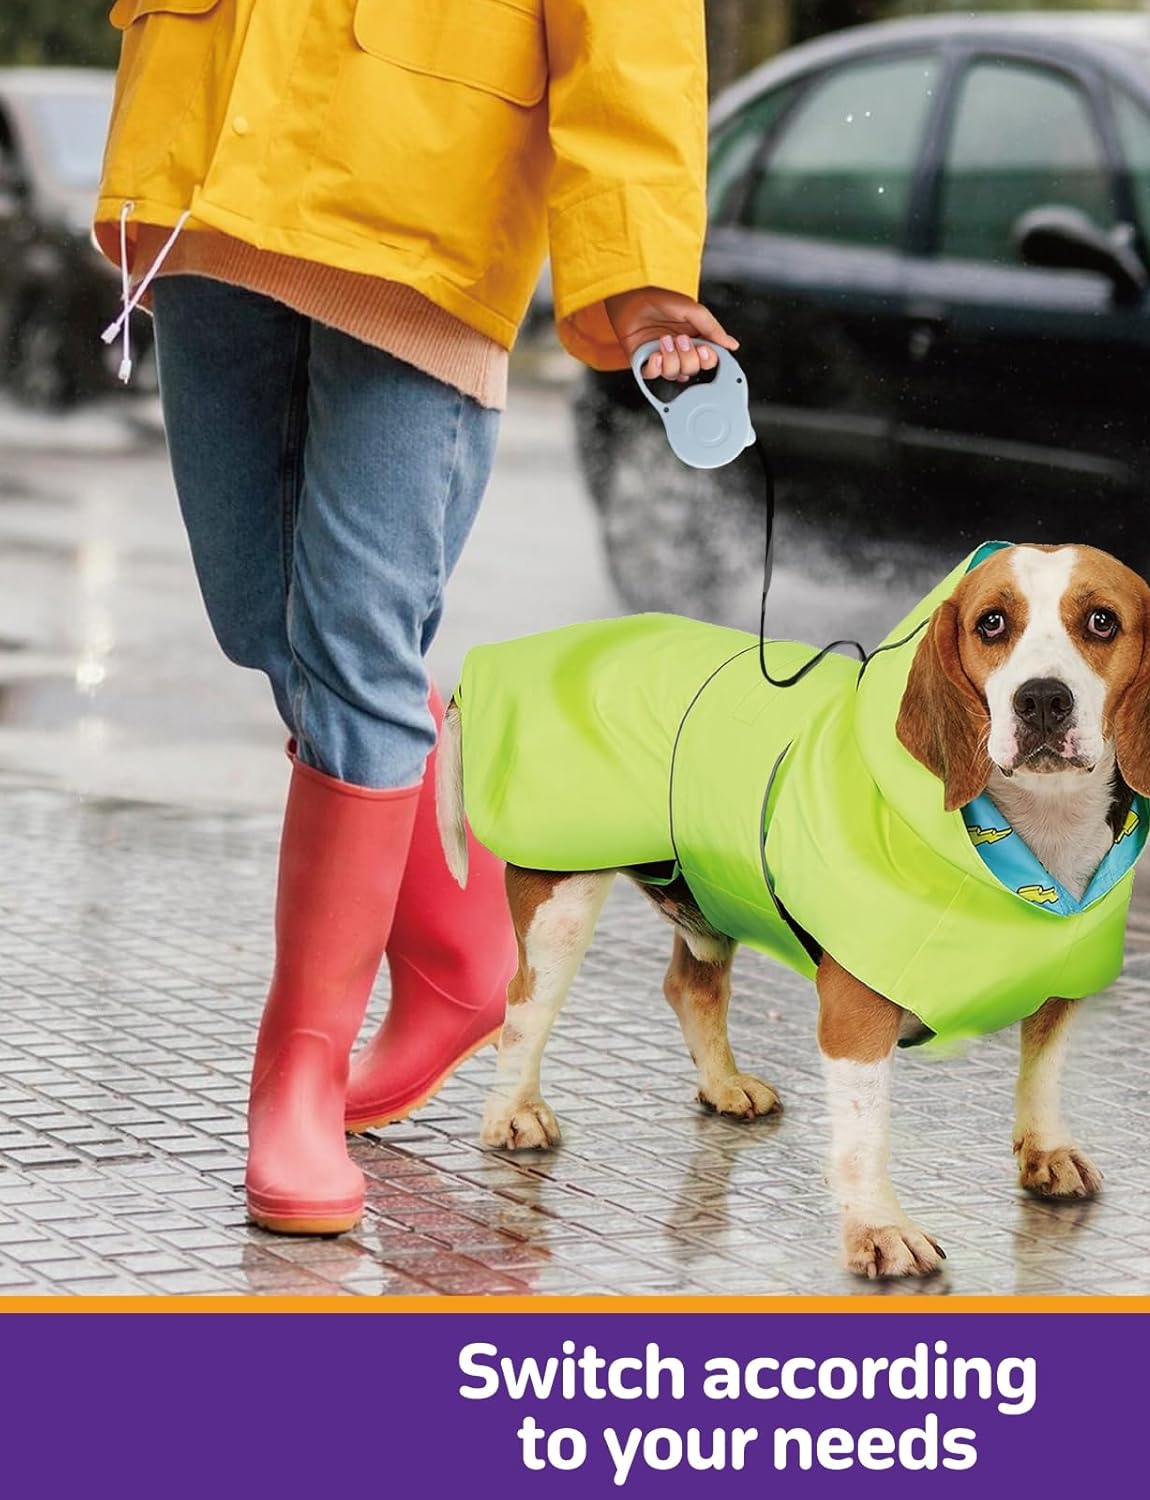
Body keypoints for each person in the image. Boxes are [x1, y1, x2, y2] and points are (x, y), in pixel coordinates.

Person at [95, 0, 734, 1235]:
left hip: (423, 194)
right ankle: (456, 955)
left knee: (351, 639)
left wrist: (643, 274)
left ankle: (297, 1071)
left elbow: (634, 29)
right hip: (209, 169)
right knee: (262, 620)